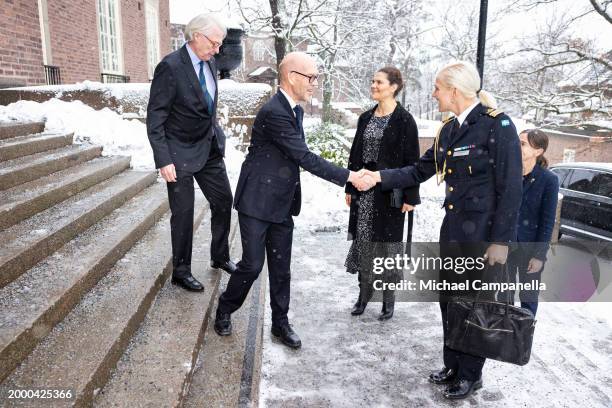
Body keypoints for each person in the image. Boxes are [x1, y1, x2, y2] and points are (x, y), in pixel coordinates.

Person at [358, 61, 522, 399]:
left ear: (454, 90)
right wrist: (379, 177)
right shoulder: (448, 130)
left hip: (482, 236)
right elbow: (419, 169)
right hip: (453, 230)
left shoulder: (497, 126)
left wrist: (501, 241)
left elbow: (511, 187)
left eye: (437, 88)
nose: (433, 94)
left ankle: (470, 374)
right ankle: (452, 365)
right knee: (448, 300)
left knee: (473, 304)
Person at [213, 52, 365, 349]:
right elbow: (304, 157)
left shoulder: (293, 109)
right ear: (292, 76)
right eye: (311, 77)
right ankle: (225, 308)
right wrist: (349, 176)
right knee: (253, 265)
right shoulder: (275, 112)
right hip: (257, 202)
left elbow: (295, 154)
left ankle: (280, 324)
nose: (315, 83)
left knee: (281, 269)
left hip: (281, 202)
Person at [146, 13, 238, 292]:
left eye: (220, 44)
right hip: (179, 153)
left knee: (224, 201)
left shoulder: (210, 61)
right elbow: (155, 117)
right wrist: (164, 159)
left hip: (208, 147)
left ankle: (219, 255)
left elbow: (206, 104)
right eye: (214, 42)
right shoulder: (170, 67)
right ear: (197, 36)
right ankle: (181, 271)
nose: (218, 49)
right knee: (183, 214)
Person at [345, 67, 420, 320]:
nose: (373, 85)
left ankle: (388, 301)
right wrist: (349, 185)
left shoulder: (405, 120)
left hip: (390, 195)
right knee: (365, 245)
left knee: (388, 249)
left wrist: (411, 197)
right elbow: (355, 153)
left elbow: (413, 163)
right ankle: (363, 296)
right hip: (364, 194)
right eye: (373, 81)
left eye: (379, 82)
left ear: (394, 87)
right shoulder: (365, 117)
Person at [506, 129, 559, 316]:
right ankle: (502, 337)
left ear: (538, 151)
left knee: (528, 297)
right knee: (504, 296)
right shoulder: (508, 174)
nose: (517, 146)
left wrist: (539, 256)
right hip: (506, 246)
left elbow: (547, 222)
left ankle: (522, 340)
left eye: (522, 144)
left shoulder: (549, 180)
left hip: (530, 250)